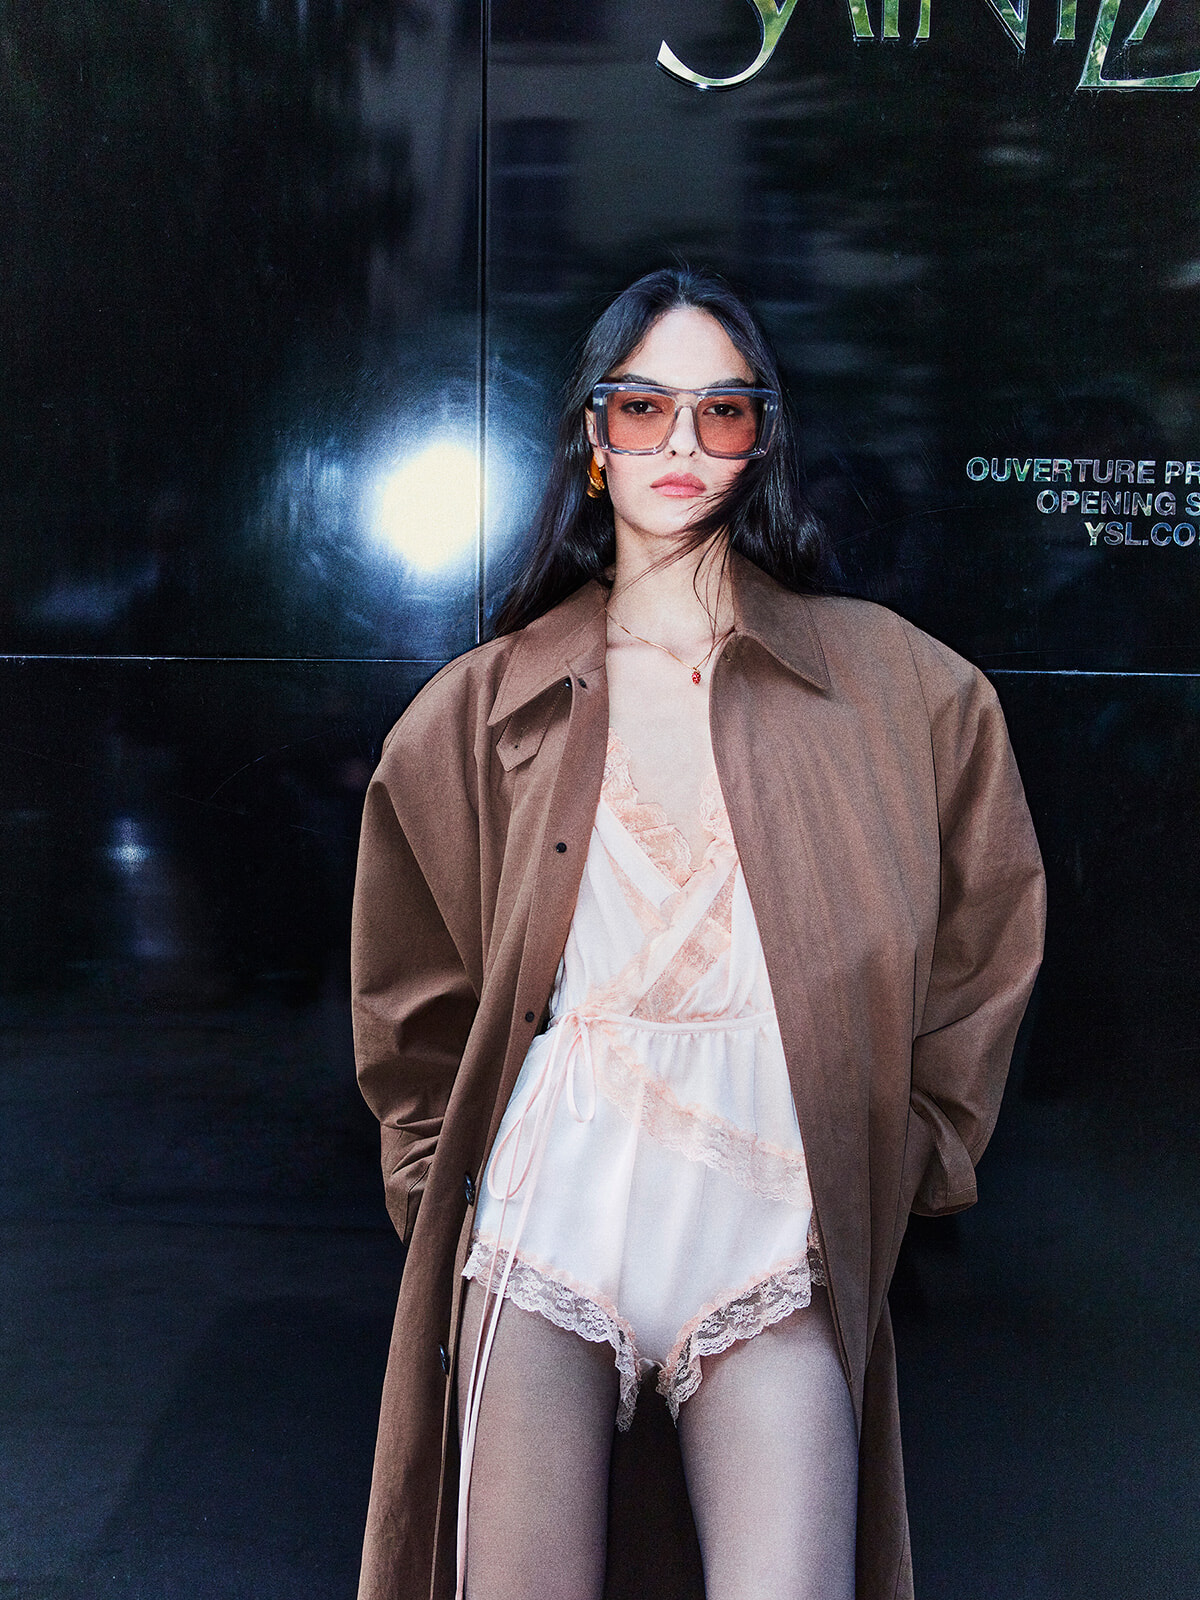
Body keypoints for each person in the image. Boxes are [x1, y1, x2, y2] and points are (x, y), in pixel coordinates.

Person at [350, 267, 1046, 1600]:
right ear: (593, 437)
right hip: (548, 1213)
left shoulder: (901, 687)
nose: (680, 444)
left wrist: (904, 1160)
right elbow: (408, 994)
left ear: (763, 437)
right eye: (644, 407)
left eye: (722, 412)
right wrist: (440, 1187)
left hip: (770, 1223)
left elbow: (988, 941)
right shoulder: (488, 703)